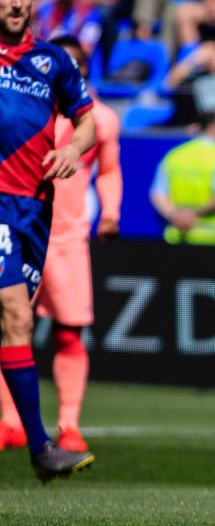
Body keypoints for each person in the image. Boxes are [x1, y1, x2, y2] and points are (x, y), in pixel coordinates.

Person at [0, 0, 97, 480]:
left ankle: (37, 443)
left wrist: (72, 149)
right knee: (15, 315)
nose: (16, 3)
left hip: (34, 209)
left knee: (16, 322)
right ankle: (40, 446)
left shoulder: (53, 60)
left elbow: (86, 124)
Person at [31, 35, 120, 453]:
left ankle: (69, 423)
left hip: (67, 237)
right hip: (19, 230)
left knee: (69, 331)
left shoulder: (100, 118)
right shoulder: (21, 107)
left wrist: (111, 212)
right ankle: (10, 422)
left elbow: (109, 170)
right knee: (11, 325)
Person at [149, 110, 215, 246]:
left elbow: (158, 194)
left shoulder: (176, 155)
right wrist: (192, 214)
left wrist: (175, 216)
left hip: (178, 236)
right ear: (212, 126)